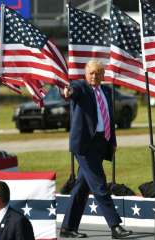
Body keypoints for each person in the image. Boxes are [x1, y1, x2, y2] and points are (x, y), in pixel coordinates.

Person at [60, 59, 132, 239]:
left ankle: (68, 228)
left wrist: (112, 141)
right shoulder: (81, 87)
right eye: (91, 72)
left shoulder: (106, 91)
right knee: (100, 185)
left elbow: (109, 116)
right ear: (86, 73)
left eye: (98, 73)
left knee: (82, 187)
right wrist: (67, 92)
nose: (94, 76)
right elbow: (71, 91)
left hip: (101, 142)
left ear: (103, 75)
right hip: (84, 146)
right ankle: (115, 226)